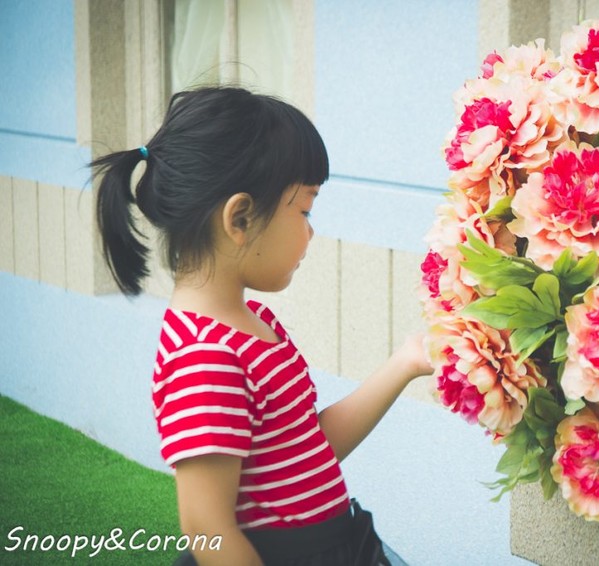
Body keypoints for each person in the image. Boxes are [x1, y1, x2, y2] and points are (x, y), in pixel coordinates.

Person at [92, 86, 432, 565]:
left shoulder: (253, 327)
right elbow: (207, 528)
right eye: (305, 210)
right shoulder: (206, 359)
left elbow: (309, 447)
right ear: (240, 218)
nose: (311, 230)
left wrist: (405, 362)